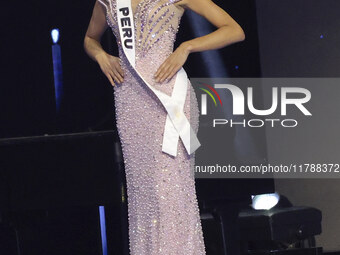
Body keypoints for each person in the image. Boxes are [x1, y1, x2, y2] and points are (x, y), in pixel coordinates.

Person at [84, 0, 245, 254]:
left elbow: (234, 29)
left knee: (168, 190)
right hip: (130, 104)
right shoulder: (109, 1)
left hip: (169, 98)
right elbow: (90, 39)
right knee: (143, 195)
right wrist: (101, 56)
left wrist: (186, 47)